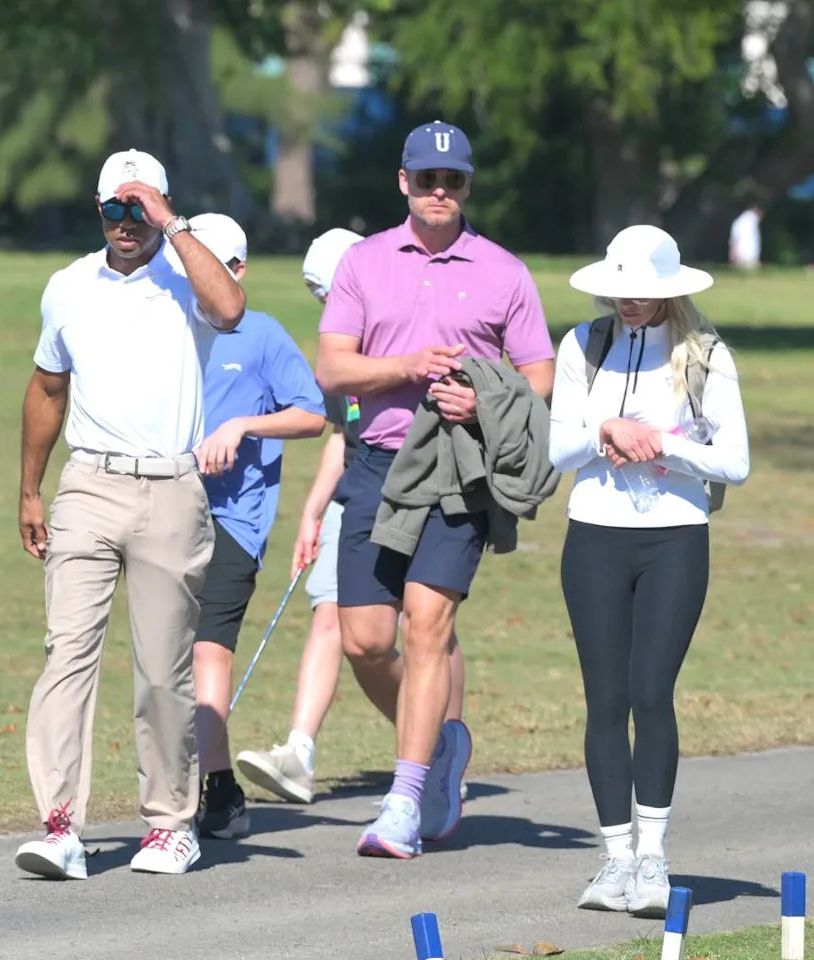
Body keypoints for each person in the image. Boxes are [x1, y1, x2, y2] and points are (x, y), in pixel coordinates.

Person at [315, 121, 555, 859]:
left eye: (452, 181)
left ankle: (404, 798)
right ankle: (442, 742)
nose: (440, 192)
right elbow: (333, 368)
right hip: (376, 466)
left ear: (467, 186)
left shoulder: (505, 271)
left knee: (427, 627)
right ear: (404, 183)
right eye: (427, 180)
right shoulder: (364, 262)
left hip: (460, 471)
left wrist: (482, 401)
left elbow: (540, 378)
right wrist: (410, 367)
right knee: (364, 639)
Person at [16, 149, 246, 879]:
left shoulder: (187, 276)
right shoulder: (67, 287)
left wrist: (172, 223)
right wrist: (29, 487)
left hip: (170, 489)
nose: (126, 222)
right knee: (66, 655)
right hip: (87, 483)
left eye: (139, 209)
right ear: (98, 209)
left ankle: (170, 823)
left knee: (160, 670)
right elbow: (48, 388)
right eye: (116, 207)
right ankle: (59, 825)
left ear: (161, 211)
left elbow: (232, 308)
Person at [549, 225, 750, 916]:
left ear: (668, 290)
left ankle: (654, 859)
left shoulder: (706, 354)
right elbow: (558, 450)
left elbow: (735, 463)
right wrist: (605, 432)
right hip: (595, 536)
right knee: (604, 699)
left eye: (640, 293)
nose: (626, 303)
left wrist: (662, 444)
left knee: (649, 691)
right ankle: (615, 860)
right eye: (618, 290)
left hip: (674, 540)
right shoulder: (583, 344)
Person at [235, 229, 467, 806]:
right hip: (359, 487)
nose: (331, 310)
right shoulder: (342, 345)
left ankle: (442, 748)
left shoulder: (418, 320)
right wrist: (314, 510)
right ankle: (301, 751)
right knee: (335, 614)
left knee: (429, 629)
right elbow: (345, 433)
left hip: (426, 482)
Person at [171, 214, 327, 839]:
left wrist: (243, 427)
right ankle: (175, 782)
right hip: (167, 509)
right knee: (168, 650)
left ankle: (218, 787)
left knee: (208, 644)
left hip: (235, 519)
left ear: (236, 272)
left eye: (211, 268)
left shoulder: (261, 335)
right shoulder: (173, 329)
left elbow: (312, 414)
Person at [729, 203, 763, 270]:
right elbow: (736, 239)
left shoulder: (741, 221)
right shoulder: (749, 220)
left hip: (746, 253)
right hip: (744, 253)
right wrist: (734, 252)